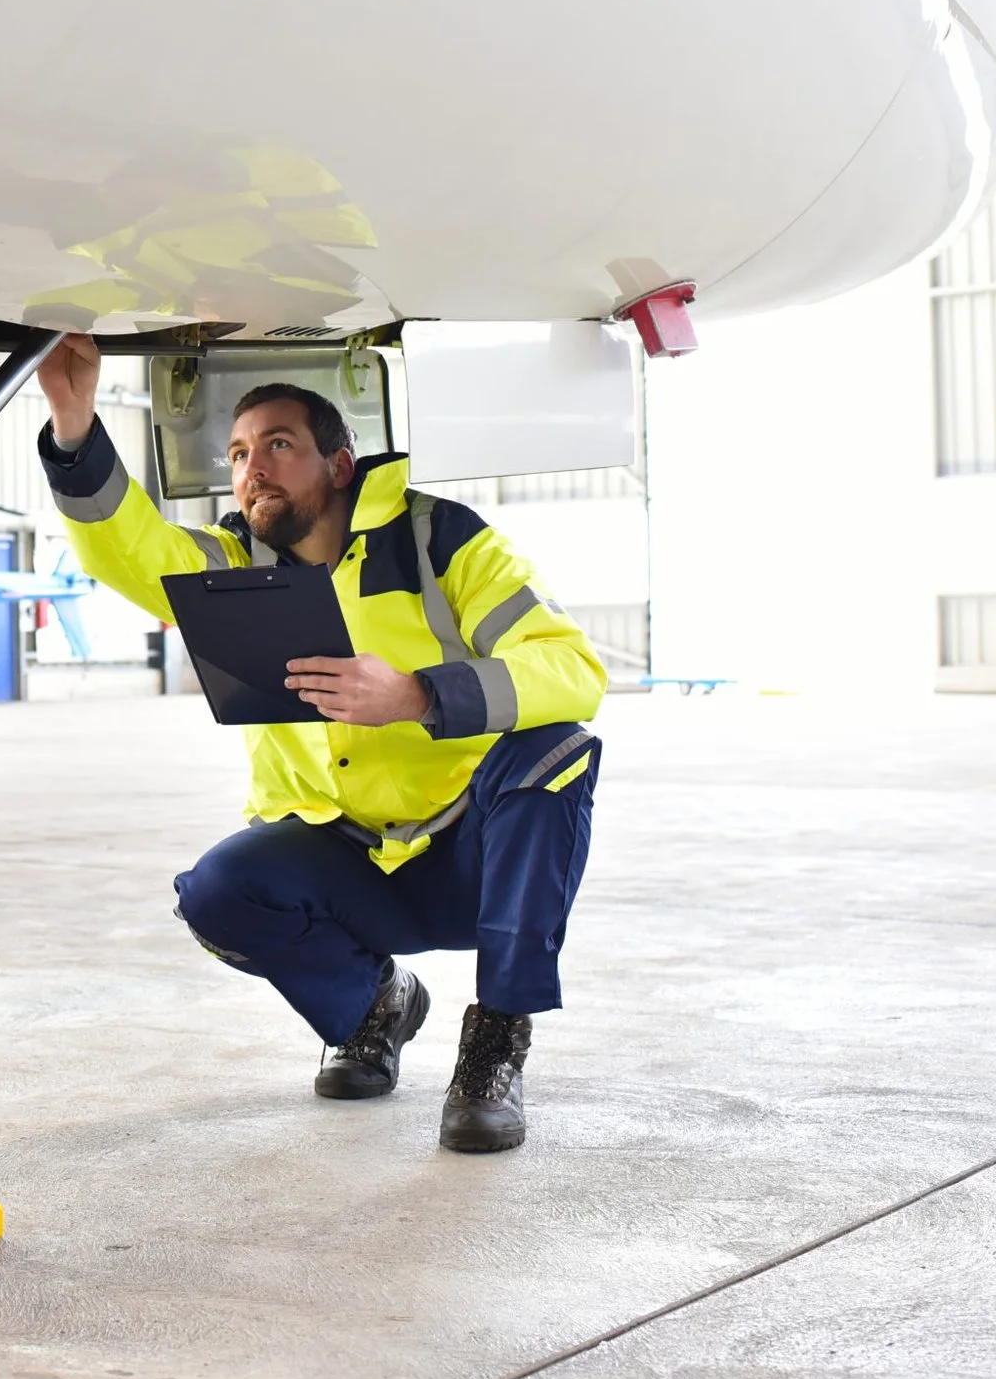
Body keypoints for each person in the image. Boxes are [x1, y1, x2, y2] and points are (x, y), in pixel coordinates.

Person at [34, 335, 605, 1153]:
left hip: (471, 855)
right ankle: (375, 1006)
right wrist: (74, 422)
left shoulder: (439, 539)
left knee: (555, 747)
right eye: (237, 452)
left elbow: (572, 669)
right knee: (217, 891)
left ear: (338, 465)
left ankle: (495, 1040)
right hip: (345, 863)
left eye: (277, 444)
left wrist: (418, 695)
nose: (251, 467)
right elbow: (129, 548)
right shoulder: (232, 564)